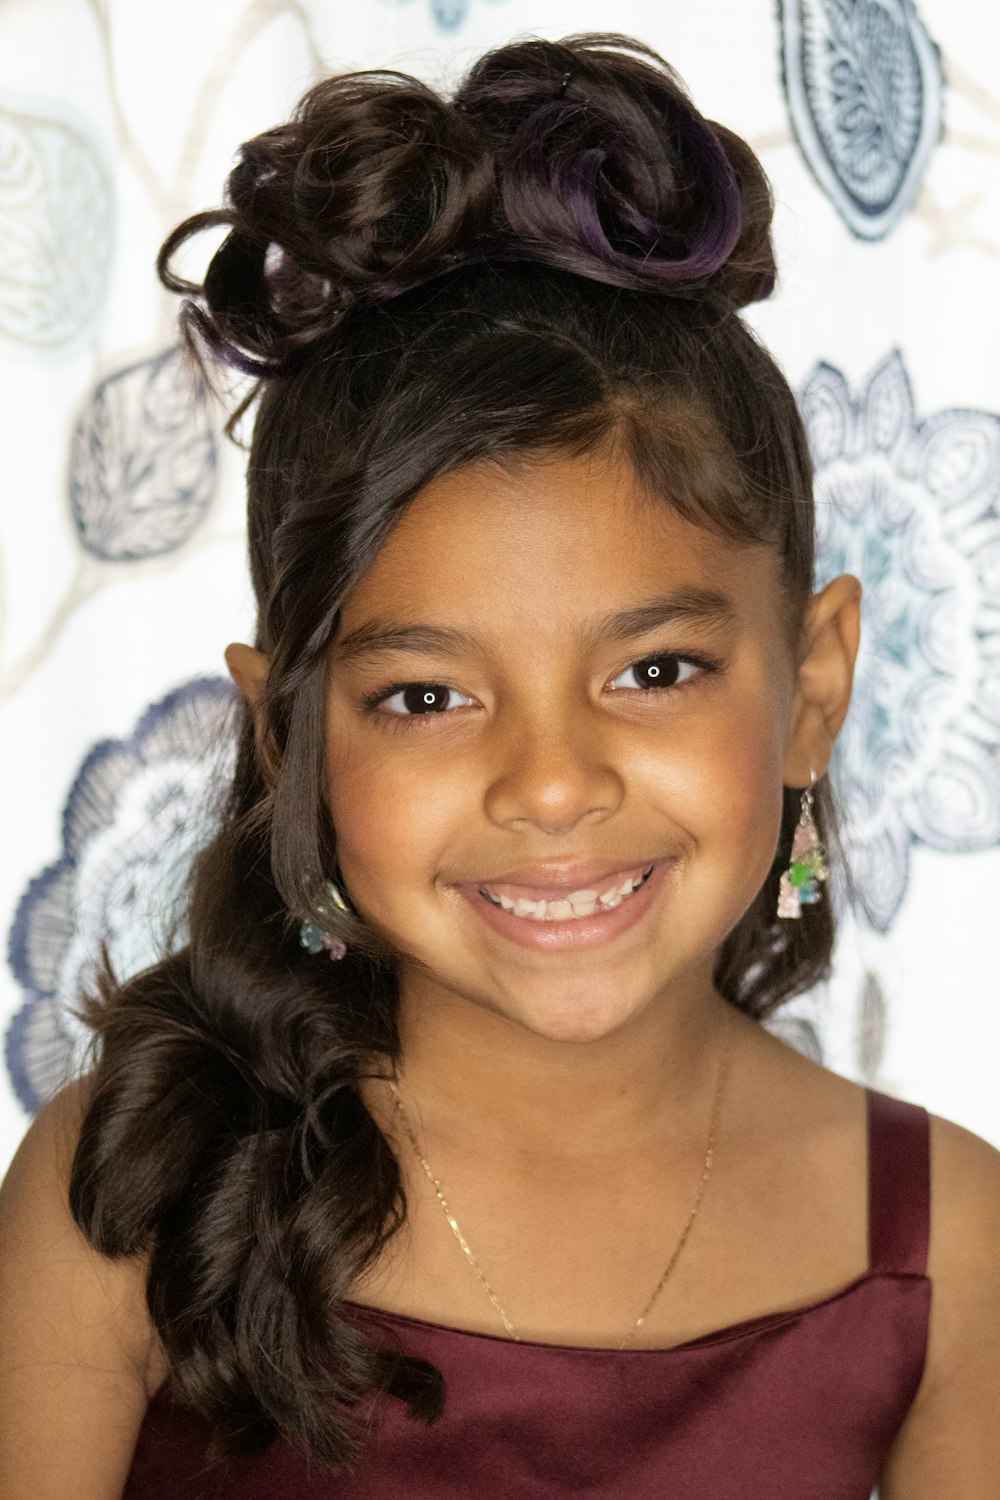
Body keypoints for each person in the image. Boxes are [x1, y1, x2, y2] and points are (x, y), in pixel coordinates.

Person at [0, 30, 997, 1500]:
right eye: (425, 696)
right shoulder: (135, 1197)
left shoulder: (951, 1254)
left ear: (815, 685)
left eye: (654, 672)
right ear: (287, 741)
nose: (550, 784)